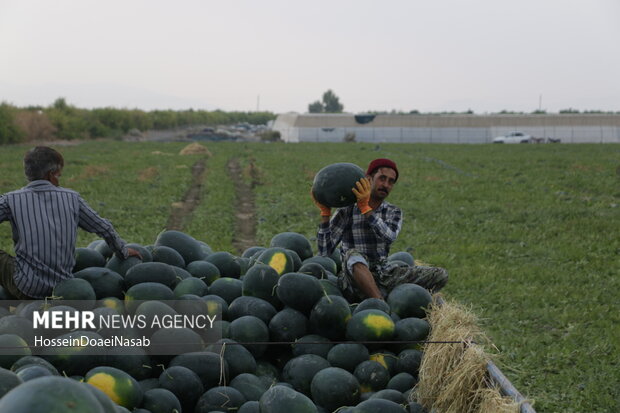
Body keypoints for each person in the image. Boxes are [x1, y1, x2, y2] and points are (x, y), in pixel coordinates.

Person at [0, 146, 141, 299]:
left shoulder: (11, 199)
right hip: (65, 289)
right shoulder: (72, 198)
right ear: (50, 175)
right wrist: (123, 251)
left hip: (27, 288)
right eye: (58, 175)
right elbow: (104, 227)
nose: (58, 179)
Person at [313, 158, 448, 302]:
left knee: (440, 275)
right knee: (353, 255)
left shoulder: (393, 212)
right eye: (382, 178)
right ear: (369, 179)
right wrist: (325, 214)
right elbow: (324, 250)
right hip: (352, 278)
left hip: (383, 273)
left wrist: (366, 210)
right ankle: (380, 302)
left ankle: (383, 293)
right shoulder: (347, 211)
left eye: (391, 181)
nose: (386, 185)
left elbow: (389, 237)